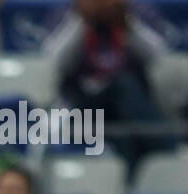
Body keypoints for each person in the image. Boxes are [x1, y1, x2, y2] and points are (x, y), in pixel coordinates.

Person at [44, 0, 175, 173]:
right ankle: (169, 150)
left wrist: (127, 22)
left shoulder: (136, 10)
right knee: (123, 87)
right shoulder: (66, 12)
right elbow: (55, 60)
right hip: (83, 104)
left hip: (127, 109)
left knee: (126, 136)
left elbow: (157, 55)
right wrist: (81, 20)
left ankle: (130, 190)